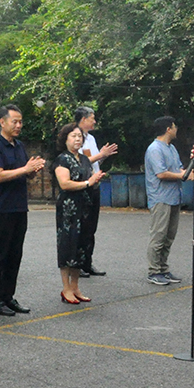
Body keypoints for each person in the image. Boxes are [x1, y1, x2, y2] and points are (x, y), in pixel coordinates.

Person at [0, 105, 46, 317]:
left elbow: (23, 172)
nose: (19, 125)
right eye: (15, 121)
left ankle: (8, 296)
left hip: (19, 207)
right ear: (2, 122)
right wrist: (25, 169)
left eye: (20, 122)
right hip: (1, 208)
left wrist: (32, 170)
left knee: (14, 254)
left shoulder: (19, 146)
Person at [54, 124, 105, 305]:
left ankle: (75, 287)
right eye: (73, 136)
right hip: (69, 209)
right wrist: (88, 183)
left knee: (81, 246)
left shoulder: (84, 159)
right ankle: (66, 288)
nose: (77, 139)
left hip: (85, 207)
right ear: (65, 139)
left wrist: (95, 180)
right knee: (67, 246)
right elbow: (65, 183)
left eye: (79, 136)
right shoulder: (62, 159)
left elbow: (90, 178)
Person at [74, 106, 118, 277]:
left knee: (91, 227)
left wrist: (103, 155)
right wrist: (100, 155)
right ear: (83, 119)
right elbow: (79, 161)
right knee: (81, 226)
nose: (94, 121)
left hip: (95, 184)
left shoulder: (90, 138)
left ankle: (87, 262)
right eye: (92, 118)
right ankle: (76, 264)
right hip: (82, 185)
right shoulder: (74, 137)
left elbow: (93, 161)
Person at [144, 116, 186, 285]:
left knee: (169, 236)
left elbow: (179, 168)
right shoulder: (155, 149)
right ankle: (153, 271)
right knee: (158, 236)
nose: (176, 129)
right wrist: (182, 175)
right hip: (160, 198)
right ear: (168, 129)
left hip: (174, 197)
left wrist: (188, 173)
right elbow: (161, 173)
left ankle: (163, 269)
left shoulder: (172, 148)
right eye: (174, 126)